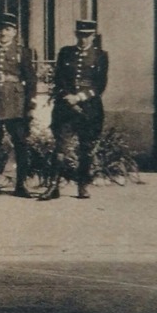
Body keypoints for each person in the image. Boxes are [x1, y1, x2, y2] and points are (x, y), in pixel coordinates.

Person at [42, 18, 109, 200]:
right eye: (80, 35)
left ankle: (83, 185)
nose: (83, 39)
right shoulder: (65, 53)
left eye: (87, 36)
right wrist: (67, 97)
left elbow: (100, 85)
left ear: (93, 36)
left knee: (86, 148)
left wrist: (79, 98)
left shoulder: (101, 55)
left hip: (90, 110)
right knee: (60, 148)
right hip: (65, 109)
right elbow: (59, 79)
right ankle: (53, 187)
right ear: (75, 35)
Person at [0, 11, 38, 198]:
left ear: (15, 32)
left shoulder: (23, 53)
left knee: (20, 143)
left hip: (16, 103)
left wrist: (30, 105)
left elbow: (31, 81)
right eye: (1, 29)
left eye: (8, 29)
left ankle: (20, 185)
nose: (4, 32)